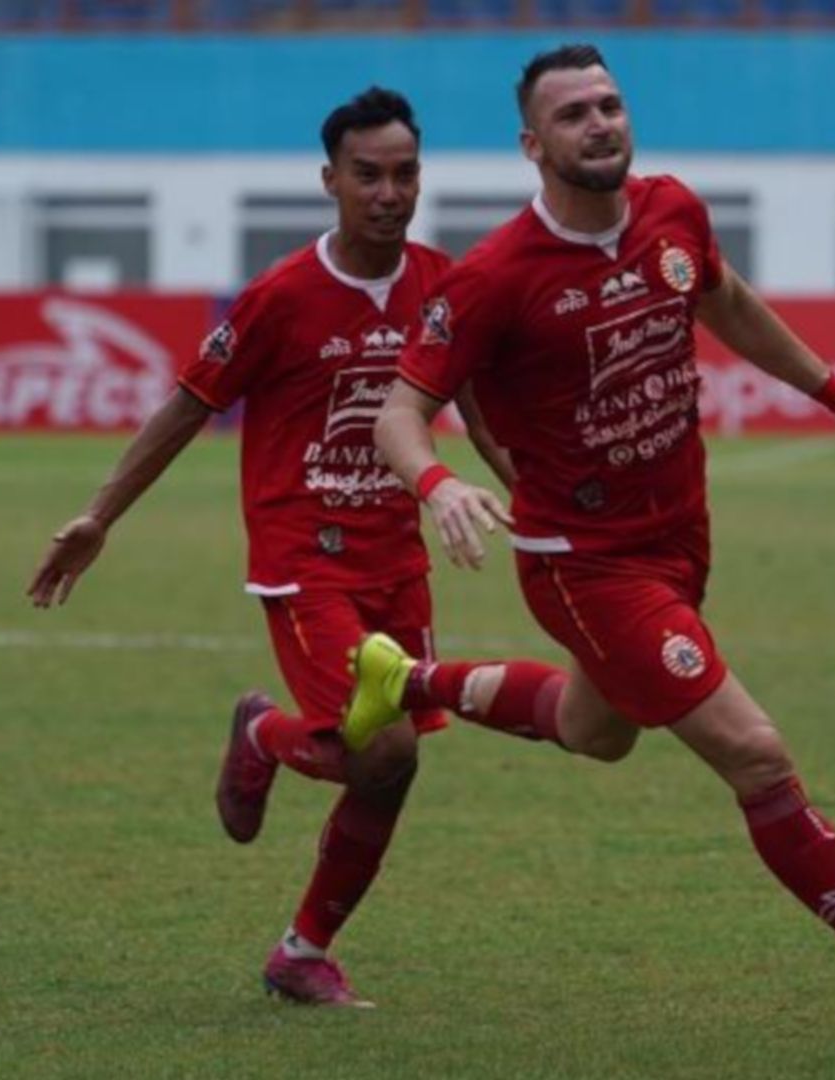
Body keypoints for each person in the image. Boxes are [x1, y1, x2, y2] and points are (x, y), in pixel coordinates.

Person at [352, 45, 835, 1046]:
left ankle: (403, 679)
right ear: (532, 146)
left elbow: (726, 299)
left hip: (678, 539)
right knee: (757, 756)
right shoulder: (494, 278)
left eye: (609, 104)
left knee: (598, 731)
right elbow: (398, 414)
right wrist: (438, 483)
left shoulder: (674, 210)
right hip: (585, 563)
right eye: (573, 114)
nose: (600, 123)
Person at [26, 87, 511, 1009]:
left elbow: (483, 416)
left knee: (391, 767)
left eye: (405, 174)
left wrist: (551, 513)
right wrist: (100, 516)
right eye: (367, 175)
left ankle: (302, 950)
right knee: (383, 751)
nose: (388, 193)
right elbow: (188, 405)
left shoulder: (442, 285)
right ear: (330, 180)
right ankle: (263, 735)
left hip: (396, 560)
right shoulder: (281, 297)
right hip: (306, 559)